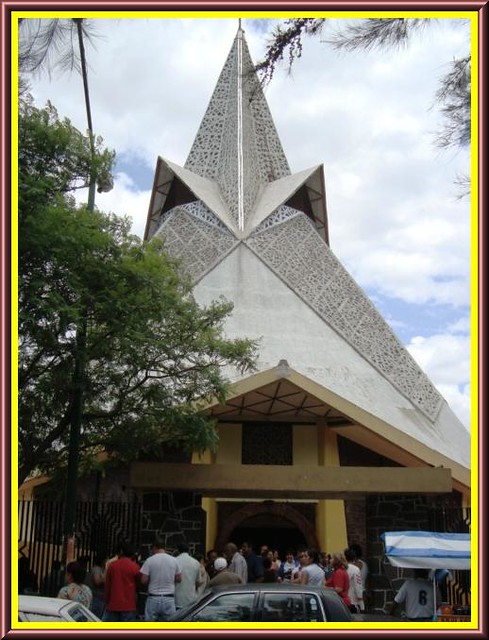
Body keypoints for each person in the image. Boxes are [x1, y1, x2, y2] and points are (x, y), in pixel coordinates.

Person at [139, 538, 182, 622]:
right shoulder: (174, 560)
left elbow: (143, 580)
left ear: (154, 547)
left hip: (153, 597)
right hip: (169, 598)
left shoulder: (149, 560)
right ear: (164, 547)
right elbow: (179, 579)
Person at [103, 542, 141, 622]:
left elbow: (107, 586)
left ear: (121, 551)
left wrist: (107, 601)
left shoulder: (112, 566)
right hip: (129, 606)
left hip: (113, 604)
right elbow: (139, 584)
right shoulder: (135, 567)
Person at [174, 542, 202, 610]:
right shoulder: (195, 562)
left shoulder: (174, 561)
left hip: (176, 599)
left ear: (178, 550)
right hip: (191, 599)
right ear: (188, 550)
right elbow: (198, 582)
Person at [86, 554, 107, 619]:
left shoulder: (102, 569)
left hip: (102, 598)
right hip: (97, 597)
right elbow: (97, 581)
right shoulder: (96, 569)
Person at [344, 548, 364, 613]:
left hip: (341, 601)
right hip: (352, 601)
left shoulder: (341, 568)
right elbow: (358, 586)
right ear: (354, 558)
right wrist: (362, 604)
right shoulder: (355, 569)